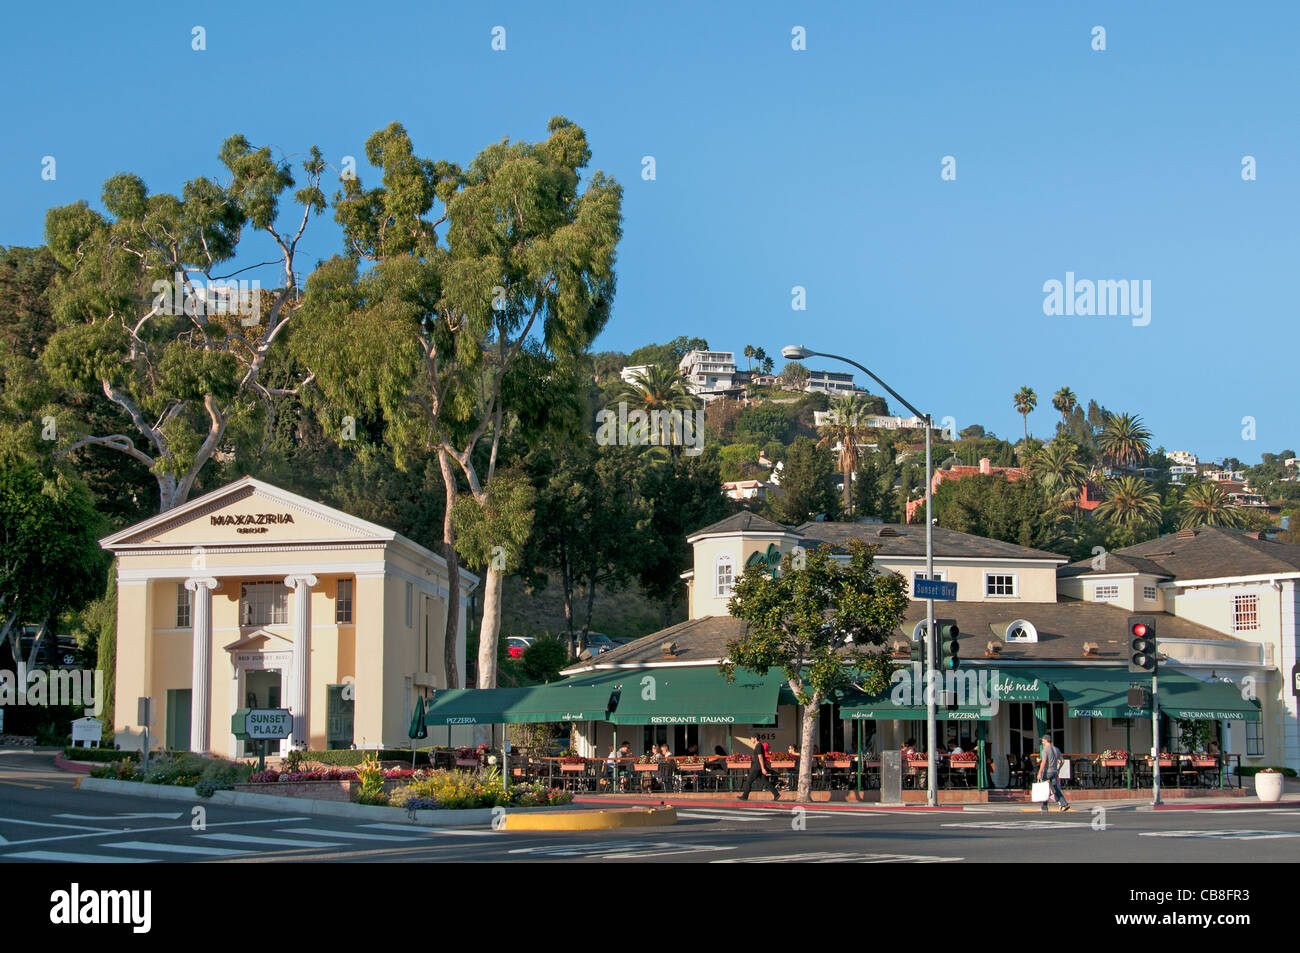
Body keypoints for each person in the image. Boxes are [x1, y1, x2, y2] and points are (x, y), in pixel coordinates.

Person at [739, 734, 780, 801]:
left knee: (749, 780)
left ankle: (745, 796)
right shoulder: (758, 746)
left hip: (757, 767)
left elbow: (760, 757)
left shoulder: (758, 746)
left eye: (751, 738)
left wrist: (763, 768)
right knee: (764, 781)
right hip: (758, 766)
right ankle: (776, 794)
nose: (751, 739)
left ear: (755, 738)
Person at [1036, 734, 1069, 812]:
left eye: (1043, 741)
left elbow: (1044, 762)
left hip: (1047, 772)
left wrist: (1039, 772)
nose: (1042, 742)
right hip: (1054, 771)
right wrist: (1058, 769)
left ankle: (1044, 807)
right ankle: (1063, 803)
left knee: (1045, 788)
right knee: (1055, 788)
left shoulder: (1045, 750)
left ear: (1046, 740)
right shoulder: (1056, 749)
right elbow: (1062, 761)